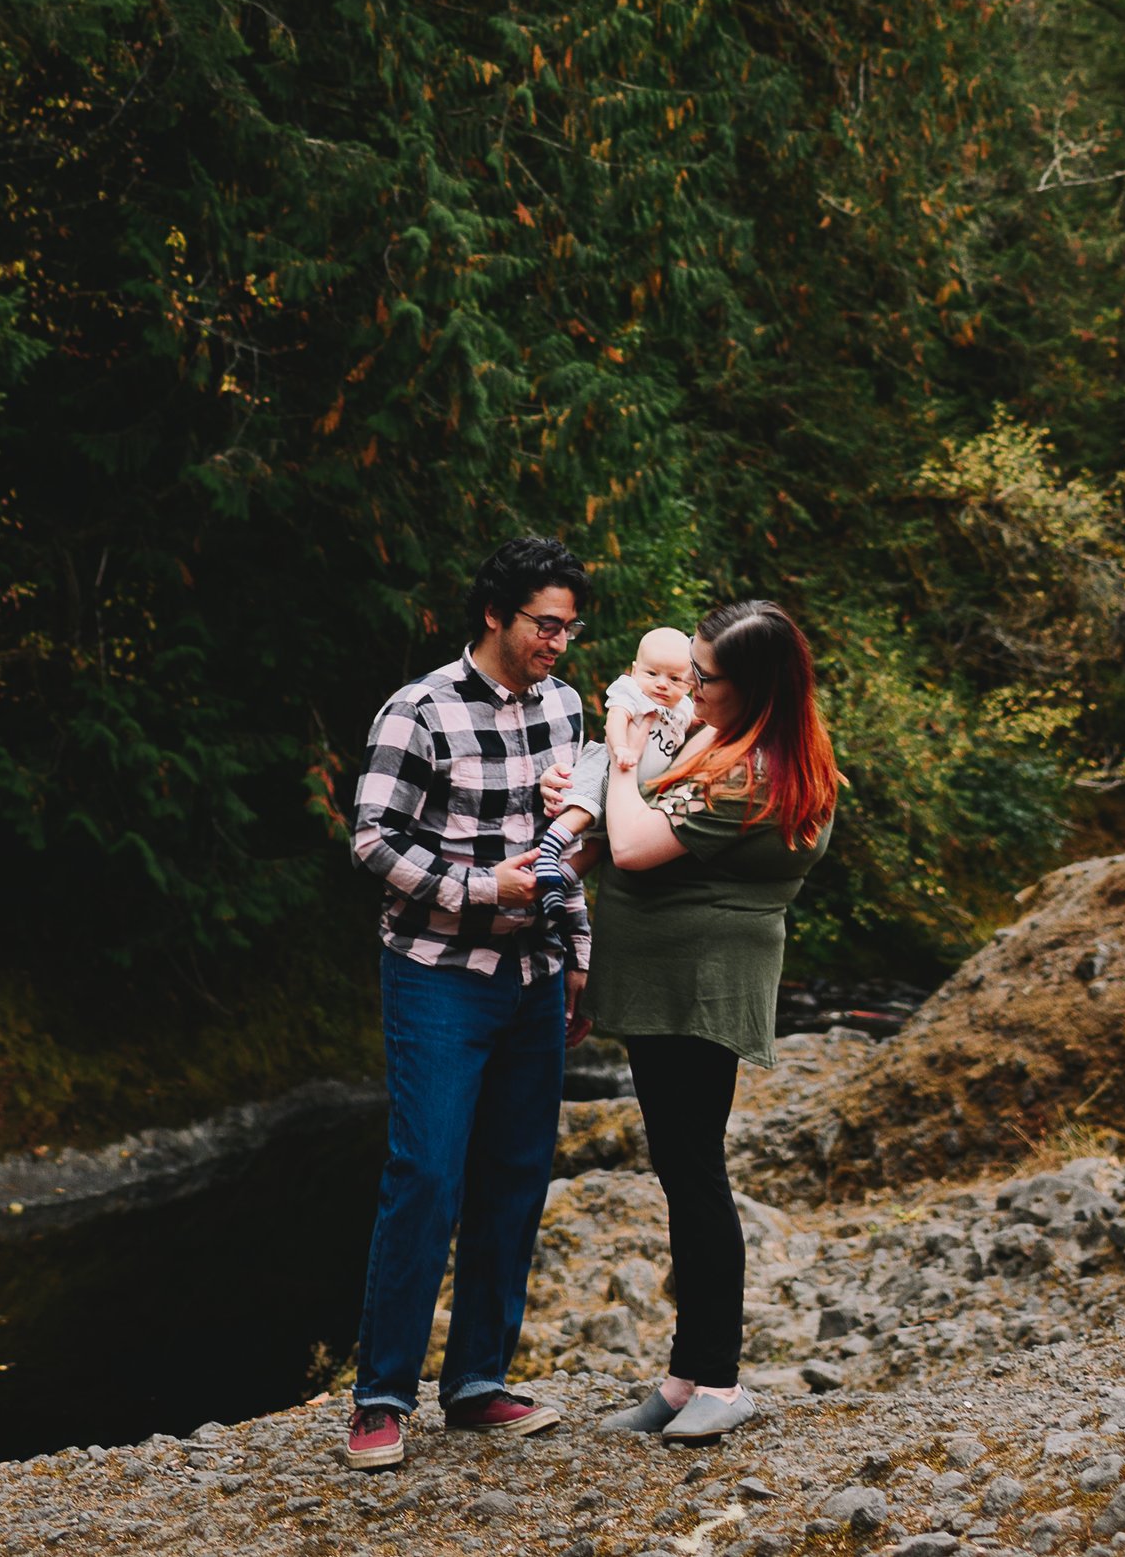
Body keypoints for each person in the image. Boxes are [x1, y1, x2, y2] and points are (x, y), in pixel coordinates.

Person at [343, 533, 593, 1473]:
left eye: (568, 627)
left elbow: (572, 844)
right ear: (496, 613)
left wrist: (578, 951)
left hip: (536, 981)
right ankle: (381, 1399)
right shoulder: (420, 709)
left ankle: (477, 1383)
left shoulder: (567, 706)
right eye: (544, 624)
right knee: (428, 1175)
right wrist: (485, 889)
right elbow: (371, 839)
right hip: (438, 974)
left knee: (515, 1177)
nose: (558, 642)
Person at [583, 595, 839, 1445]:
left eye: (707, 675)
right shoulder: (728, 738)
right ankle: (686, 1374)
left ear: (757, 686)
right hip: (674, 981)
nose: (690, 683)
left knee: (693, 1172)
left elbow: (633, 843)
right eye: (691, 666)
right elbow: (640, 804)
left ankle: (720, 1379)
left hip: (699, 986)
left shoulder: (758, 770)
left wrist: (618, 769)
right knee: (681, 1167)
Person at [531, 623, 713, 910]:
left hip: (634, 793)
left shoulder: (684, 708)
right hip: (607, 767)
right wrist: (621, 749)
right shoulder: (631, 692)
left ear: (690, 683)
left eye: (675, 679)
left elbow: (686, 726)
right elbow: (614, 720)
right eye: (652, 673)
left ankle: (558, 885)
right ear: (634, 669)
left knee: (598, 847)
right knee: (584, 811)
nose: (662, 684)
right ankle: (548, 853)